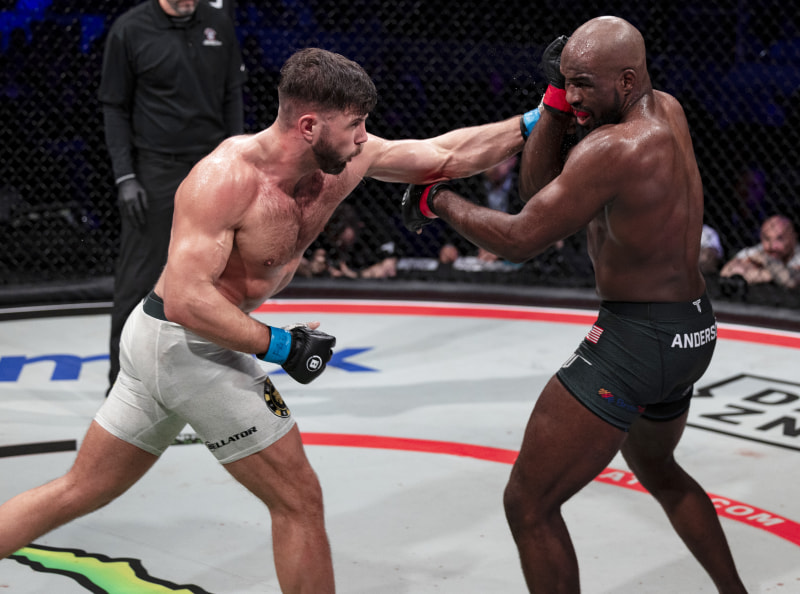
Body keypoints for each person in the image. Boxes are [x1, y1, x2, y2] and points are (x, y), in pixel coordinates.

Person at [0, 48, 537, 592]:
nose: (363, 137)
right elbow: (187, 298)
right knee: (298, 499)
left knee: (81, 488)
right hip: (187, 344)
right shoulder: (225, 180)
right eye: (354, 124)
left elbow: (445, 153)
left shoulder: (346, 159)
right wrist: (283, 346)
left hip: (166, 340)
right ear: (309, 126)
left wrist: (541, 117)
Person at [402, 17, 747, 593]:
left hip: (636, 342)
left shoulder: (614, 148)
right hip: (692, 333)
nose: (576, 97)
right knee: (660, 470)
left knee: (528, 503)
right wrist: (557, 99)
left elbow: (520, 236)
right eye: (568, 82)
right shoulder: (668, 110)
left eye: (583, 84)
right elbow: (542, 189)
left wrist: (438, 201)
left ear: (627, 80)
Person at [98, 0, 245, 393]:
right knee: (139, 277)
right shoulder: (129, 29)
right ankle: (122, 386)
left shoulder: (217, 23)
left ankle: (209, 383)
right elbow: (114, 106)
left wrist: (236, 158)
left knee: (218, 274)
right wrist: (126, 176)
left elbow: (232, 95)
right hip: (155, 168)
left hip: (211, 164)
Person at [720, 214, 800, 289]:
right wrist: (775, 275)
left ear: (793, 238)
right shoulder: (756, 250)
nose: (772, 246)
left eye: (779, 239)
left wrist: (766, 260)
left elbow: (789, 281)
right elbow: (726, 272)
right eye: (767, 239)